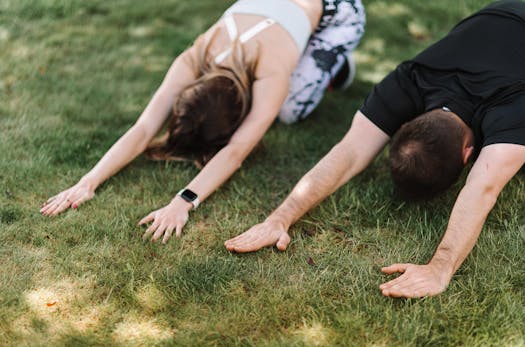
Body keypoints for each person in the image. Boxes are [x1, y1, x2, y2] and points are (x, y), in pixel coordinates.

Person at [225, 0, 525, 299]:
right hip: (497, 16)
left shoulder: (507, 108)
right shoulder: (410, 79)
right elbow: (350, 152)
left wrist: (441, 266)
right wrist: (279, 218)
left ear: (467, 156)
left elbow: (483, 187)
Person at [40, 0, 366, 243]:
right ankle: (307, 50)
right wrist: (88, 181)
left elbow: (237, 150)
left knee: (289, 111)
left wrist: (184, 201)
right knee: (277, 100)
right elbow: (142, 129)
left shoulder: (272, 70)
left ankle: (335, 64)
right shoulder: (196, 55)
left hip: (338, 12)